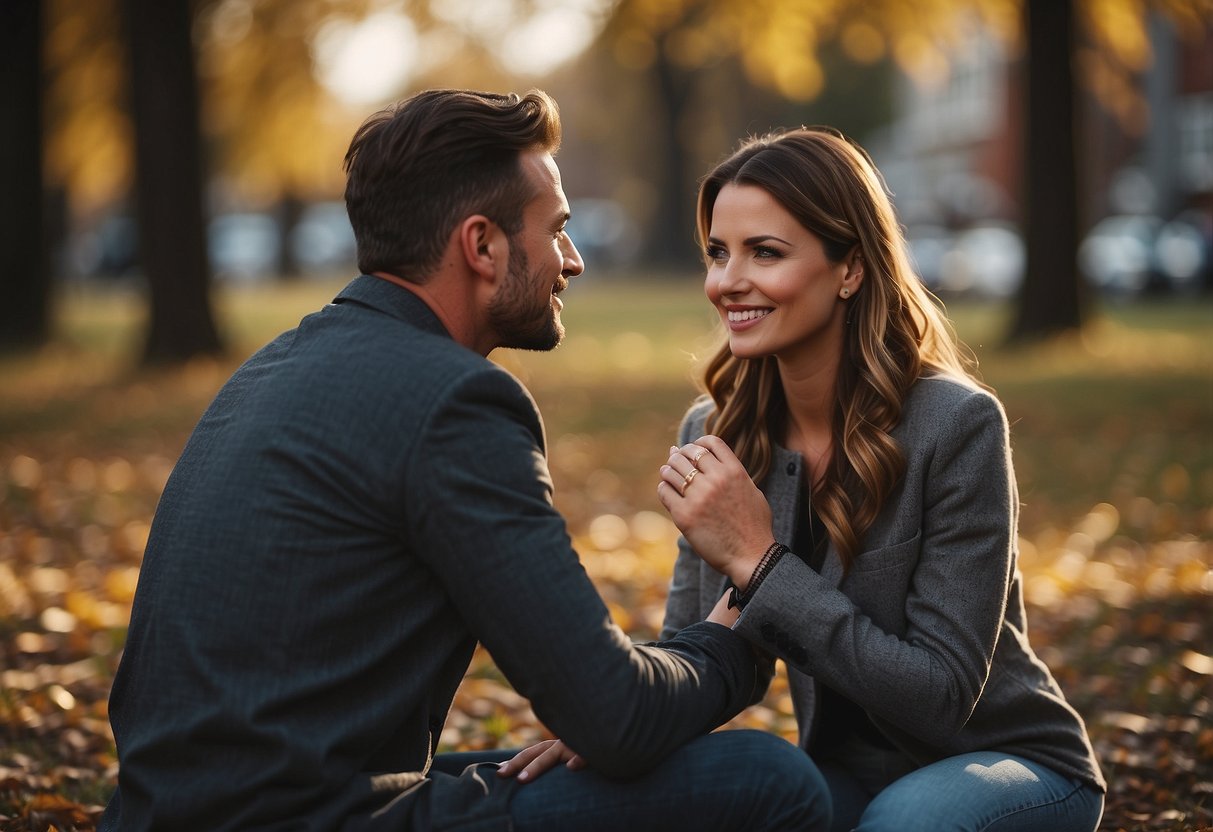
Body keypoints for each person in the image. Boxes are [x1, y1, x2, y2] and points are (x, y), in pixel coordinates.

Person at [99, 90, 830, 832]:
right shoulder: (455, 402)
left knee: (537, 764)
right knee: (765, 778)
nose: (571, 260)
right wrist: (734, 640)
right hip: (306, 815)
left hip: (165, 810)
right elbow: (617, 717)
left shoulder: (270, 368)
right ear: (481, 246)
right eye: (557, 231)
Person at [506, 127, 1107, 831]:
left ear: (848, 268)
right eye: (718, 253)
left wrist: (762, 566)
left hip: (1007, 765)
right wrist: (618, 726)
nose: (728, 281)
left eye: (765, 252)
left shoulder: (956, 425)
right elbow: (697, 645)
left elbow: (939, 696)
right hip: (849, 776)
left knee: (904, 823)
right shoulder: (717, 432)